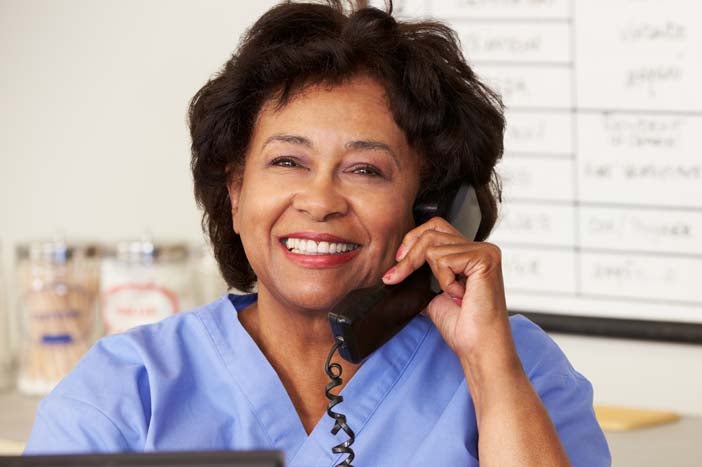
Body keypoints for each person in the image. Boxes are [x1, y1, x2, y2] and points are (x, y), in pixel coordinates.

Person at [25, 2, 610, 466]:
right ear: (235, 190)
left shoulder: (520, 368)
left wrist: (488, 368)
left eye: (365, 170)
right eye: (287, 162)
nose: (321, 202)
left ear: (431, 208)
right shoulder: (125, 393)